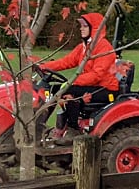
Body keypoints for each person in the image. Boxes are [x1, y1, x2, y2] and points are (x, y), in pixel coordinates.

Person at [40, 12, 119, 140]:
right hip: (91, 85)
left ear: (94, 29)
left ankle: (73, 129)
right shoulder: (84, 47)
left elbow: (97, 75)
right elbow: (66, 61)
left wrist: (73, 81)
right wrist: (44, 67)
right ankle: (45, 126)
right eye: (81, 25)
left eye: (84, 26)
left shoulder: (104, 48)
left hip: (104, 88)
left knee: (68, 91)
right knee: (54, 89)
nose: (81, 28)